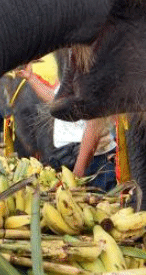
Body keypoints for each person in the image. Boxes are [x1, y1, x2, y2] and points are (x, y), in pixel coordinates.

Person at [17, 62, 117, 191]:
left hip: (94, 161)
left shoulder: (96, 77)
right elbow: (56, 102)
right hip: (67, 156)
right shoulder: (74, 75)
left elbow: (94, 126)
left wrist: (78, 172)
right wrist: (31, 78)